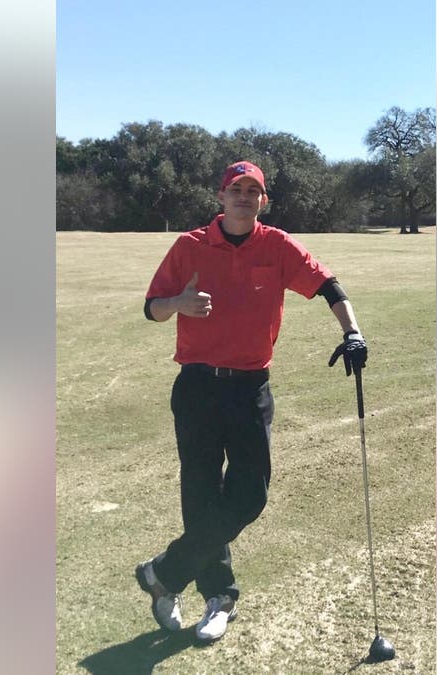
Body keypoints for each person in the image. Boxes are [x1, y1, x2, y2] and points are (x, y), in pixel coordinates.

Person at [135, 160, 369, 643]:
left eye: (253, 190)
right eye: (236, 188)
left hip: (249, 388)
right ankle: (219, 597)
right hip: (198, 385)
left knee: (249, 493)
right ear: (220, 197)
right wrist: (177, 304)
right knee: (200, 492)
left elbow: (328, 285)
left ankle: (165, 574)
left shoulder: (277, 245)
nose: (244, 196)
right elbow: (151, 308)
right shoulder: (189, 246)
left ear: (263, 201)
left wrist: (353, 331)